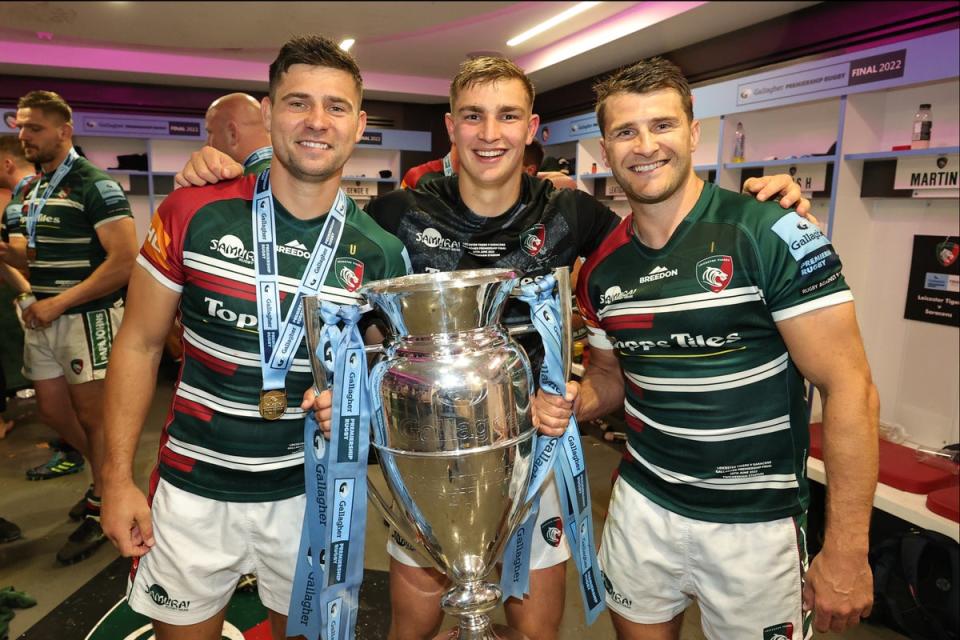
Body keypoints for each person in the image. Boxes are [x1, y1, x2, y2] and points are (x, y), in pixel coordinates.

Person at [175, 53, 811, 640]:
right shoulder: (397, 215)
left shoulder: (573, 214)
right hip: (426, 461)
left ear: (532, 127)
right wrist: (220, 168)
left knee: (535, 631)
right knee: (415, 629)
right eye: (473, 116)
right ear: (450, 126)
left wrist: (768, 200)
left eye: (508, 116)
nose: (490, 133)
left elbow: (660, 236)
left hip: (536, 460)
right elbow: (305, 207)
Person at [534, 57, 879, 639]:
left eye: (662, 125)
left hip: (755, 523)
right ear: (605, 148)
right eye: (625, 131)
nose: (645, 146)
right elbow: (610, 374)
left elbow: (851, 390)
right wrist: (576, 400)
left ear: (693, 133)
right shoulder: (599, 269)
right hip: (642, 506)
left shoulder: (771, 232)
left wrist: (846, 548)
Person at [100, 35, 409, 640]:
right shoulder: (192, 211)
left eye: (336, 107)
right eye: (298, 103)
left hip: (311, 494)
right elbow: (137, 344)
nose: (317, 122)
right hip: (192, 490)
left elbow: (387, 380)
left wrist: (358, 406)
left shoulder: (381, 251)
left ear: (360, 124)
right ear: (267, 114)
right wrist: (114, 480)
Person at [2, 94, 138, 565]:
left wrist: (59, 301)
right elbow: (26, 254)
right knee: (53, 412)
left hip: (87, 316)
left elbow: (124, 261)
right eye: (21, 127)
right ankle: (105, 478)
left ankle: (104, 503)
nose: (24, 136)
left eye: (34, 128)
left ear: (64, 130)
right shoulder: (27, 192)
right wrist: (14, 268)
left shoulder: (95, 184)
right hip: (41, 317)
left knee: (94, 418)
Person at [204, 92, 273, 174]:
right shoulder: (285, 173)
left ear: (232, 134)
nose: (207, 144)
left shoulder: (243, 182)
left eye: (210, 133)